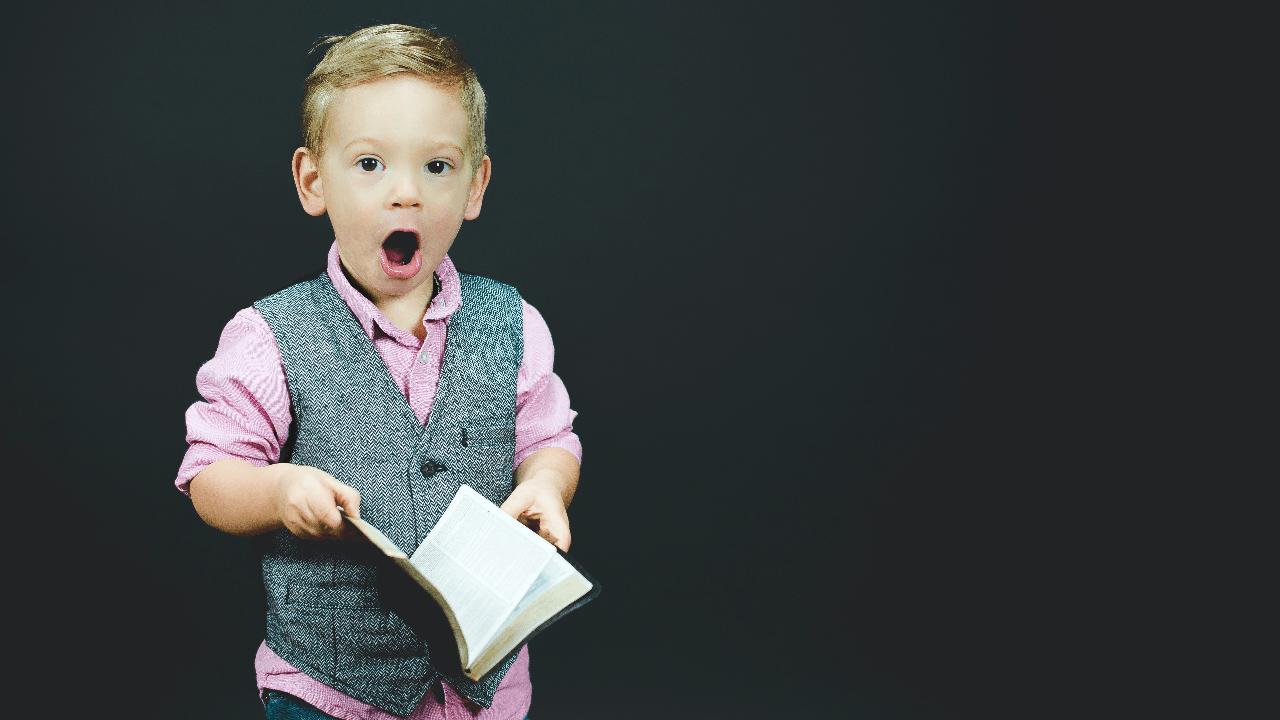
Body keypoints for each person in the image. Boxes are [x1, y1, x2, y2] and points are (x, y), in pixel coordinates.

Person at [175, 24, 580, 720]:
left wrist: (546, 484)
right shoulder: (270, 337)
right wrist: (278, 490)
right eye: (369, 165)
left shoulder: (514, 324)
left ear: (475, 185)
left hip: (483, 692)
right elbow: (209, 475)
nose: (406, 194)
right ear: (313, 182)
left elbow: (550, 437)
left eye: (437, 166)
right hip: (330, 692)